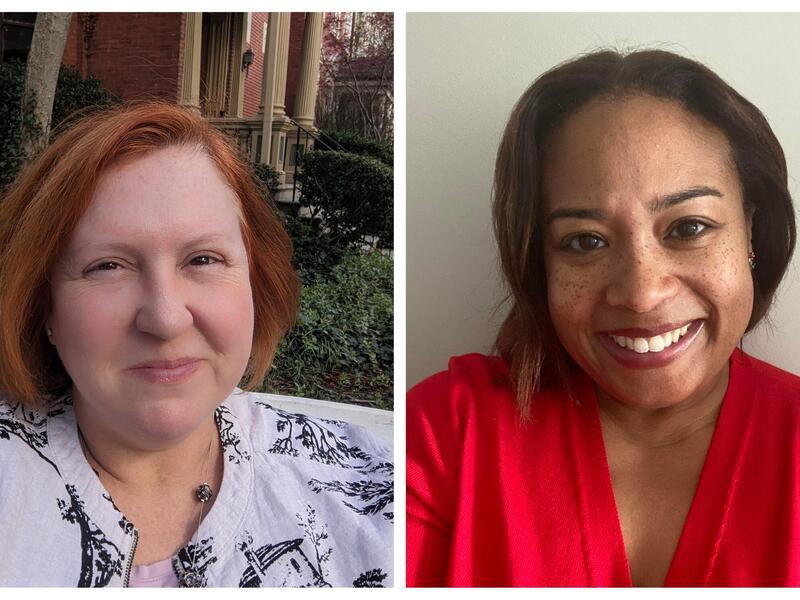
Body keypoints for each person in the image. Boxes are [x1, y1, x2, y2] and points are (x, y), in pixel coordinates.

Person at [407, 49, 799, 587]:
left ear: (751, 233)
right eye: (585, 241)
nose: (641, 293)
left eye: (688, 228)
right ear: (536, 262)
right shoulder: (445, 434)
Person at [0, 102, 393, 587]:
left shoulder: (372, 493)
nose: (165, 319)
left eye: (203, 259)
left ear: (255, 282)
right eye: (107, 266)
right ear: (44, 307)